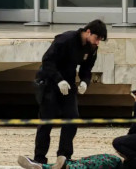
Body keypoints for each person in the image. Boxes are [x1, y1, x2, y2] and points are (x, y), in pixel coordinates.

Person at [23, 19, 107, 166]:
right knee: (47, 120)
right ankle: (39, 157)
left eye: (100, 40)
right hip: (49, 80)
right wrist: (58, 79)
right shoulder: (65, 40)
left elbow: (86, 69)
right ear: (88, 32)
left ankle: (64, 156)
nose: (98, 42)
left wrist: (84, 82)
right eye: (97, 38)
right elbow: (47, 60)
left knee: (72, 118)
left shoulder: (91, 48)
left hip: (68, 83)